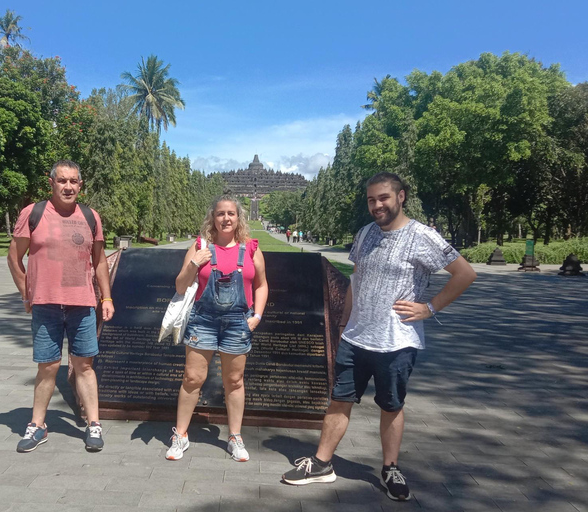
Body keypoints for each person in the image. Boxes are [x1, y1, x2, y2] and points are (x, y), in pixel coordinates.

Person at [282, 172, 476, 501]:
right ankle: (322, 463)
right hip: (356, 337)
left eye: (384, 197)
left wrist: (429, 308)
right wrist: (344, 322)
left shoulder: (422, 236)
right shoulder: (366, 233)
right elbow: (357, 278)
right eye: (372, 200)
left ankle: (390, 468)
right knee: (339, 400)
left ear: (401, 196)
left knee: (391, 405)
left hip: (396, 340)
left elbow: (465, 273)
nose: (377, 205)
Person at [7, 159, 115, 454]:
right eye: (62, 181)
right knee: (48, 366)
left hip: (82, 303)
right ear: (51, 183)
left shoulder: (91, 216)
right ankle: (38, 425)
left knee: (84, 365)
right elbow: (14, 258)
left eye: (74, 181)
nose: (68, 186)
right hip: (46, 304)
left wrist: (106, 297)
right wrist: (26, 293)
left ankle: (94, 423)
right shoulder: (34, 214)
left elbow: (99, 260)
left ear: (80, 185)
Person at [166, 195, 268, 462]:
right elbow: (180, 286)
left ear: (238, 218)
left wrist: (256, 315)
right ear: (213, 217)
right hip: (204, 320)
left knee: (234, 381)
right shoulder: (199, 246)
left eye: (231, 214)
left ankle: (235, 436)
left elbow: (261, 284)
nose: (226, 219)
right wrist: (194, 263)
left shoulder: (251, 249)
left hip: (238, 322)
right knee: (192, 379)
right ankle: (182, 434)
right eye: (220, 213)